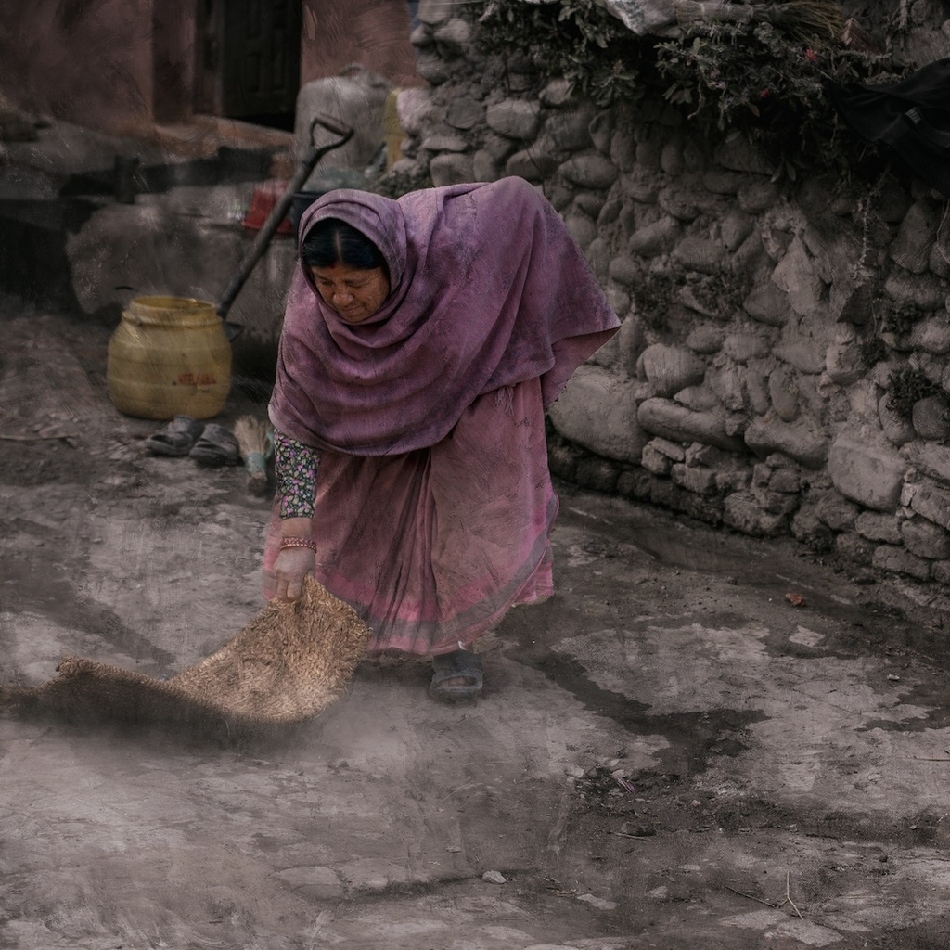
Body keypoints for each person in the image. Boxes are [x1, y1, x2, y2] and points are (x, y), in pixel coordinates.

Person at [263, 175, 619, 702]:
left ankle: (453, 643)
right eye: (326, 282)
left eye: (356, 283)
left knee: (457, 517)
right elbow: (295, 427)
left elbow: (518, 203)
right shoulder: (309, 324)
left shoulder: (448, 261)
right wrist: (296, 539)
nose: (341, 298)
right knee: (353, 514)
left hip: (464, 391)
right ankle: (335, 628)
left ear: (393, 264)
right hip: (363, 428)